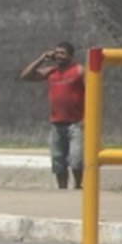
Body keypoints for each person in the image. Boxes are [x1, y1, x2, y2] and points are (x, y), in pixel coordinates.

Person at [20, 41, 85, 189]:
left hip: (76, 123)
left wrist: (86, 119)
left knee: (76, 159)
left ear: (70, 55)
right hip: (56, 123)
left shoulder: (79, 70)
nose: (59, 56)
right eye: (57, 53)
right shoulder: (50, 72)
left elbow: (93, 90)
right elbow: (25, 76)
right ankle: (62, 188)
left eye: (63, 53)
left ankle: (78, 186)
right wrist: (42, 58)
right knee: (57, 160)